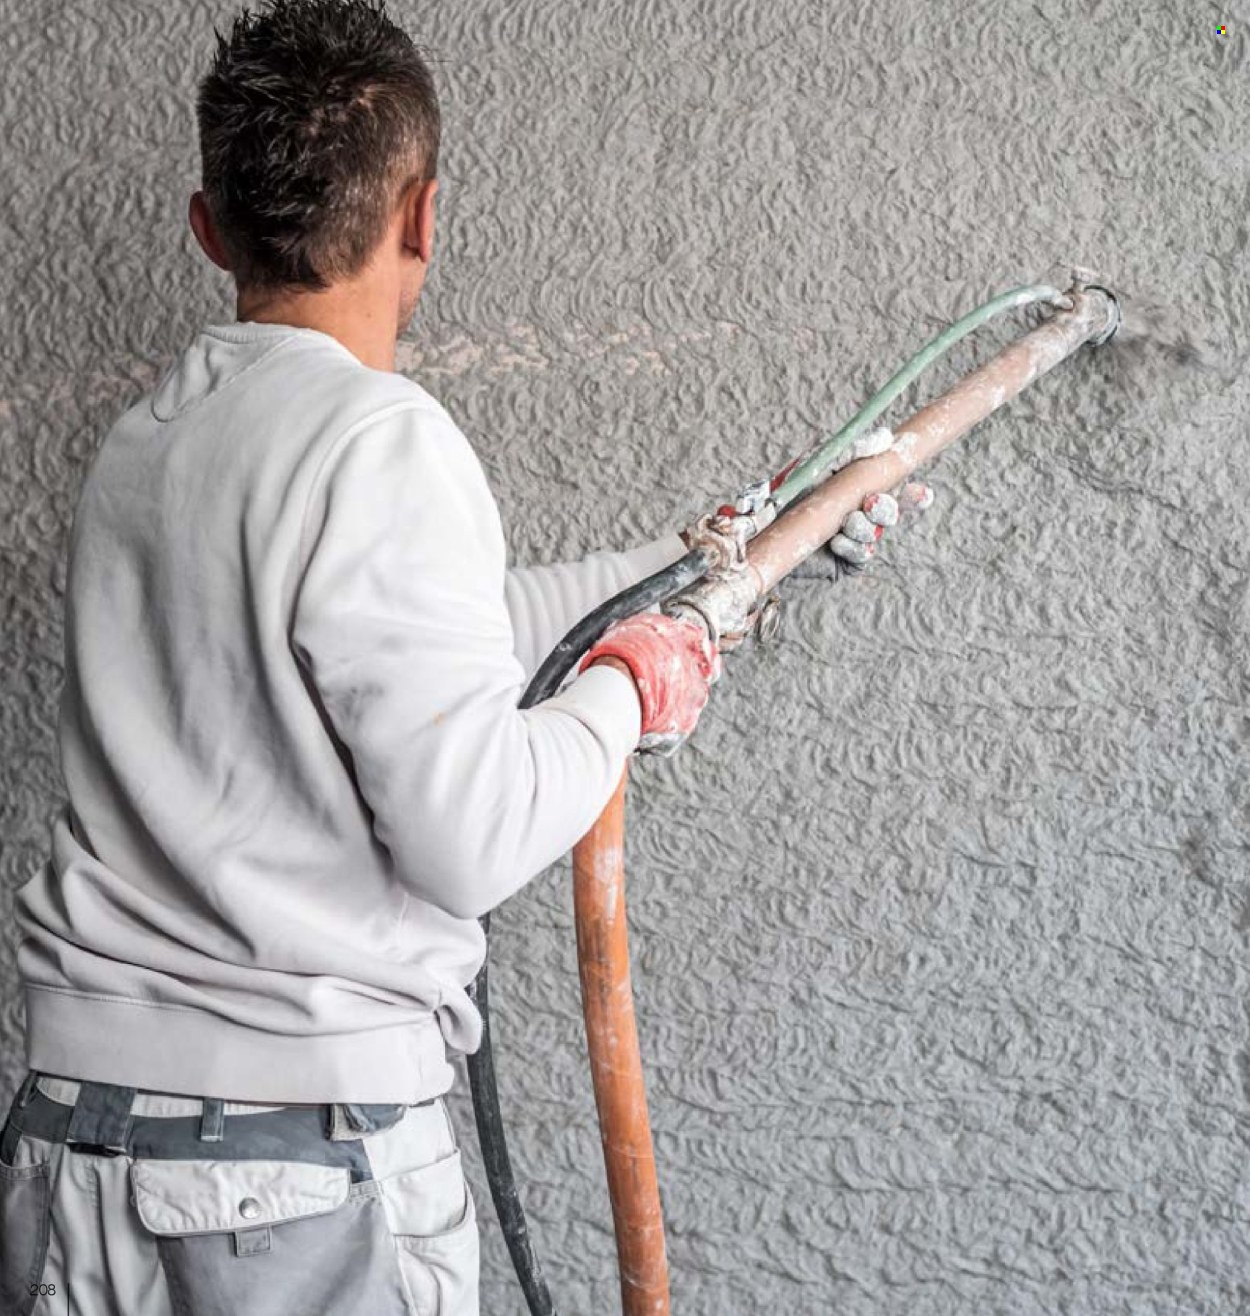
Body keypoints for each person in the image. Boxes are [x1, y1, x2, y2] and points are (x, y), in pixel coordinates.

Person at [0, 2, 931, 1313]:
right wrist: (632, 689)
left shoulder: (149, 446)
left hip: (74, 1151)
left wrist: (711, 560)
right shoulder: (380, 439)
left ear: (208, 226)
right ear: (424, 217)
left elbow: (427, 632)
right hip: (283, 1171)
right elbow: (473, 835)